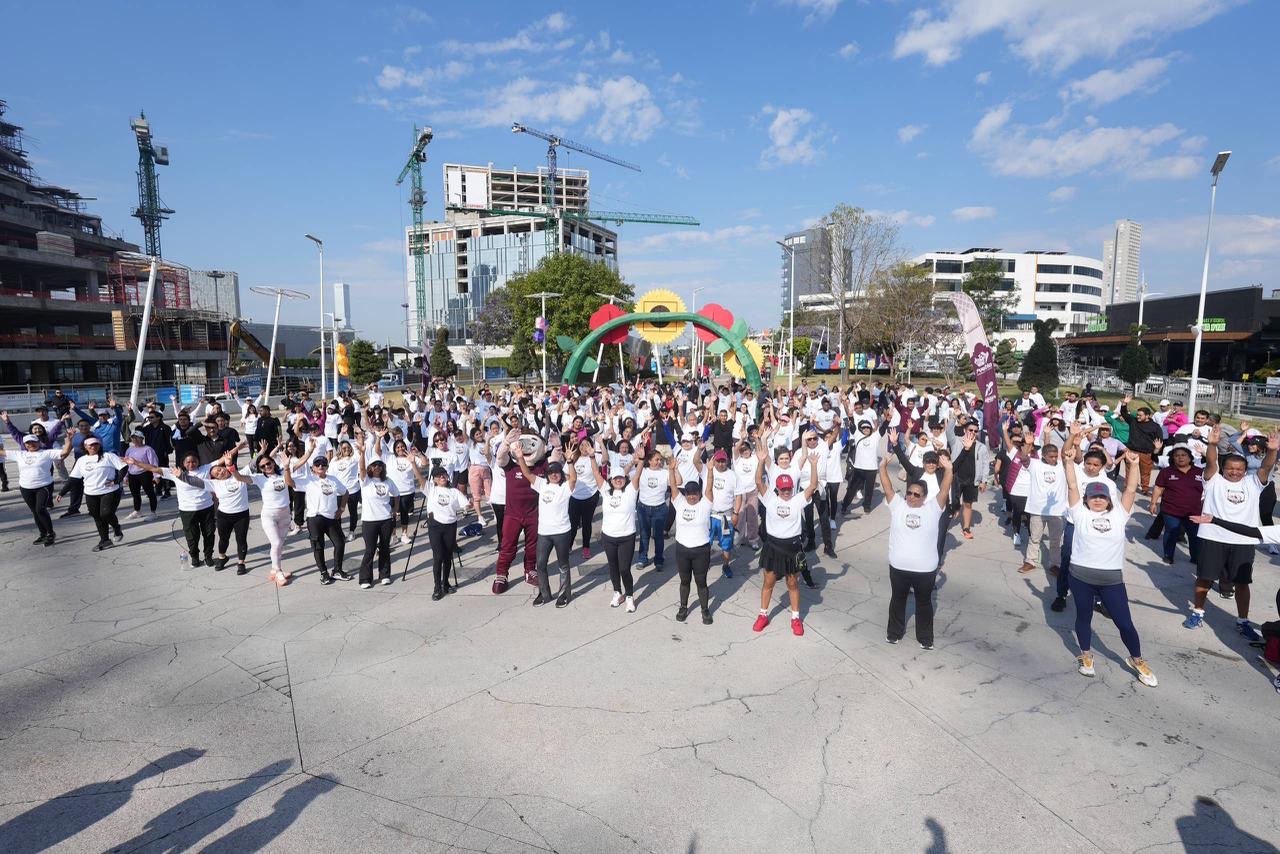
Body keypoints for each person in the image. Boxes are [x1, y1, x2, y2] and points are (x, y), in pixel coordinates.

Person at [1062, 449, 1158, 686]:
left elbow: (1131, 490)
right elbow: (1073, 485)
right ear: (1086, 499)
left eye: (1102, 497)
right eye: (1093, 496)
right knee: (1083, 617)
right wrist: (1067, 461)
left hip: (1111, 580)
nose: (1097, 499)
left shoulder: (1119, 516)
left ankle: (1136, 659)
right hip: (1080, 577)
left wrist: (1133, 466)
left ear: (1108, 499)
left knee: (1124, 623)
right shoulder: (1079, 513)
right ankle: (1086, 655)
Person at [1183, 426, 1278, 642]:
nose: (1234, 472)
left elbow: (1265, 467)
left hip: (1243, 540)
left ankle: (1242, 621)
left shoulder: (1253, 483)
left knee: (1242, 583)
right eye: (1230, 468)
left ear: (1245, 471)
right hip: (1212, 537)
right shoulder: (1213, 480)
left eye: (1238, 469)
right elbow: (1211, 463)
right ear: (1223, 469)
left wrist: (1272, 451)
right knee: (1205, 578)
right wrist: (1213, 445)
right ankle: (1197, 613)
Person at [878, 451, 952, 649]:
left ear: (925, 497)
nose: (911, 497)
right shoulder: (898, 506)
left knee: (924, 604)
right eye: (909, 492)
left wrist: (949, 469)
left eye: (916, 494)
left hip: (925, 570)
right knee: (897, 600)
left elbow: (944, 490)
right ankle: (894, 633)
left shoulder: (933, 509)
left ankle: (925, 638)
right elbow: (887, 487)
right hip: (898, 567)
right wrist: (882, 467)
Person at [752, 441, 821, 636]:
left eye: (788, 489)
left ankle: (795, 618)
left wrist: (814, 465)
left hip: (792, 548)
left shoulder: (798, 500)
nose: (785, 492)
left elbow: (813, 486)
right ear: (777, 489)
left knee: (793, 583)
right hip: (773, 547)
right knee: (769, 582)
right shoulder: (770, 499)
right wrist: (760, 462)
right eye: (782, 489)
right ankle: (763, 615)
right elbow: (759, 481)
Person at [509, 439, 575, 607]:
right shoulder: (542, 484)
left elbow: (573, 479)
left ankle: (563, 595)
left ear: (561, 474)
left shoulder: (565, 487)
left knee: (563, 565)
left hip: (562, 532)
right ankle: (544, 594)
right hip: (544, 533)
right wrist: (520, 457)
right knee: (541, 564)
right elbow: (527, 474)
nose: (554, 475)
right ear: (547, 474)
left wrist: (569, 461)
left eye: (557, 472)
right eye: (551, 472)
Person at [130, 452, 216, 566]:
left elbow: (223, 459)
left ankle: (208, 556)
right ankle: (194, 557)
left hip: (206, 508)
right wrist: (136, 462)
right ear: (184, 463)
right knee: (192, 536)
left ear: (198, 461)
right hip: (187, 510)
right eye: (188, 462)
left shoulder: (206, 468)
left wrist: (238, 447)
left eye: (194, 461)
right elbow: (154, 468)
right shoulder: (175, 472)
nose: (191, 464)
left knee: (209, 533)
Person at [284, 454, 349, 585]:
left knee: (340, 542)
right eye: (318, 465)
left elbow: (345, 492)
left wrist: (341, 509)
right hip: (315, 518)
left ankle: (337, 570)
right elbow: (289, 482)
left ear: (327, 467)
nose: (321, 467)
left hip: (331, 518)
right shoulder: (308, 480)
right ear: (313, 467)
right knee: (319, 546)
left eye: (323, 465)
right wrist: (286, 468)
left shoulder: (333, 479)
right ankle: (323, 573)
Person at [668, 454, 715, 625]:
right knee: (684, 580)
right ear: (685, 493)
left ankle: (705, 609)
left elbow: (709, 488)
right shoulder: (679, 503)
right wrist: (671, 469)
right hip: (682, 549)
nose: (692, 496)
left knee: (701, 582)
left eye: (695, 493)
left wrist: (709, 471)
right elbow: (673, 486)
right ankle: (683, 607)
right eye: (689, 493)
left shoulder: (705, 504)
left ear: (699, 494)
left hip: (701, 550)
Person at [59, 435, 127, 551]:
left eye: (96, 444)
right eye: (91, 445)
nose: (94, 447)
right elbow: (74, 479)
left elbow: (123, 467)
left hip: (109, 491)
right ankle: (105, 540)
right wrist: (62, 492)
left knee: (106, 514)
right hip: (91, 493)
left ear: (99, 445)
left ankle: (116, 528)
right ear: (85, 447)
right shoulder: (81, 460)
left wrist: (117, 480)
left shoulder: (108, 456)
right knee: (97, 517)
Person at [352, 451, 403, 589]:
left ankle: (385, 575)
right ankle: (365, 578)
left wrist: (395, 510)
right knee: (370, 549)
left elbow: (397, 494)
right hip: (369, 520)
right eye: (374, 465)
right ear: (370, 467)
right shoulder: (365, 481)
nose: (377, 467)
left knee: (385, 548)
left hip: (386, 519)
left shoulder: (387, 481)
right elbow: (361, 469)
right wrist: (362, 453)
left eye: (380, 465)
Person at [1150, 445, 1204, 565]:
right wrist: (1153, 503)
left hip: (1194, 512)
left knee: (1195, 536)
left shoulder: (1200, 472)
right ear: (1173, 458)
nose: (1180, 458)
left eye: (1183, 455)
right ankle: (1168, 556)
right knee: (1171, 533)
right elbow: (1158, 488)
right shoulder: (1166, 472)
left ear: (1190, 458)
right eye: (1177, 456)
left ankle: (1195, 557)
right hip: (1171, 511)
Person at [16, 432, 72, 546]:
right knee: (35, 512)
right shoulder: (19, 454)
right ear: (25, 444)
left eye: (33, 442)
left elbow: (65, 452)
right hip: (26, 487)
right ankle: (43, 534)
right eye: (28, 443)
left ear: (38, 442)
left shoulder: (46, 453)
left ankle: (51, 534)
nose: (31, 444)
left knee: (40, 509)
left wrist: (69, 439)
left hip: (44, 486)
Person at [422, 463, 469, 599]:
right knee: (438, 557)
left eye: (444, 474)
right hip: (435, 526)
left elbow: (465, 503)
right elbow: (420, 478)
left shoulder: (454, 491)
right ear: (434, 479)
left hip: (450, 525)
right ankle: (437, 587)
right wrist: (413, 463)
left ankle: (445, 583)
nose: (442, 477)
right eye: (438, 475)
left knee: (448, 557)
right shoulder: (431, 489)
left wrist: (469, 505)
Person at [206, 444, 254, 574]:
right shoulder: (214, 484)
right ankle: (222, 558)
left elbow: (254, 463)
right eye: (217, 474)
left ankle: (241, 563)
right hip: (224, 515)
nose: (220, 472)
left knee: (241, 539)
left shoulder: (240, 474)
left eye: (220, 469)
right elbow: (194, 481)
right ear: (215, 478)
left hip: (242, 514)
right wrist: (180, 476)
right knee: (223, 539)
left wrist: (261, 451)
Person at [598, 461, 638, 612]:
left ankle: (629, 596)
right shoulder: (605, 490)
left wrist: (640, 461)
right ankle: (617, 592)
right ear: (611, 480)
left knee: (624, 568)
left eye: (621, 478)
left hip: (626, 537)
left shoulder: (631, 490)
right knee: (613, 566)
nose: (618, 480)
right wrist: (591, 457)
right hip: (608, 536)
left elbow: (638, 474)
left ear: (625, 478)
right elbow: (596, 474)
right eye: (615, 478)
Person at [706, 449, 742, 577]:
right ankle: (705, 563)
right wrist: (700, 448)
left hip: (726, 517)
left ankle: (726, 565)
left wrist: (736, 513)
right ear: (714, 461)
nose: (721, 464)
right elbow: (695, 461)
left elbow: (738, 496)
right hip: (710, 515)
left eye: (723, 461)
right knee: (706, 541)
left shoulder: (733, 475)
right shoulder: (708, 471)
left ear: (727, 461)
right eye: (718, 461)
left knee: (726, 543)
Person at [635, 449, 670, 570]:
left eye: (660, 460)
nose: (659, 462)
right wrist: (637, 459)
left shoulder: (665, 473)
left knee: (658, 536)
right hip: (643, 508)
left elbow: (679, 482)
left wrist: (674, 469)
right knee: (644, 534)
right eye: (656, 459)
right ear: (649, 461)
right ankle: (642, 559)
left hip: (659, 508)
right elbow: (630, 476)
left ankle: (659, 560)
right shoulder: (643, 471)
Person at [123, 431, 159, 519]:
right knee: (135, 494)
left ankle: (153, 512)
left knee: (150, 493)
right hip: (132, 474)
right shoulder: (129, 449)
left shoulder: (148, 449)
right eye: (133, 438)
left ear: (142, 438)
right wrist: (126, 476)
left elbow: (154, 463)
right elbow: (126, 463)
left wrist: (156, 476)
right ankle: (137, 511)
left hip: (145, 473)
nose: (134, 439)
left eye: (137, 437)